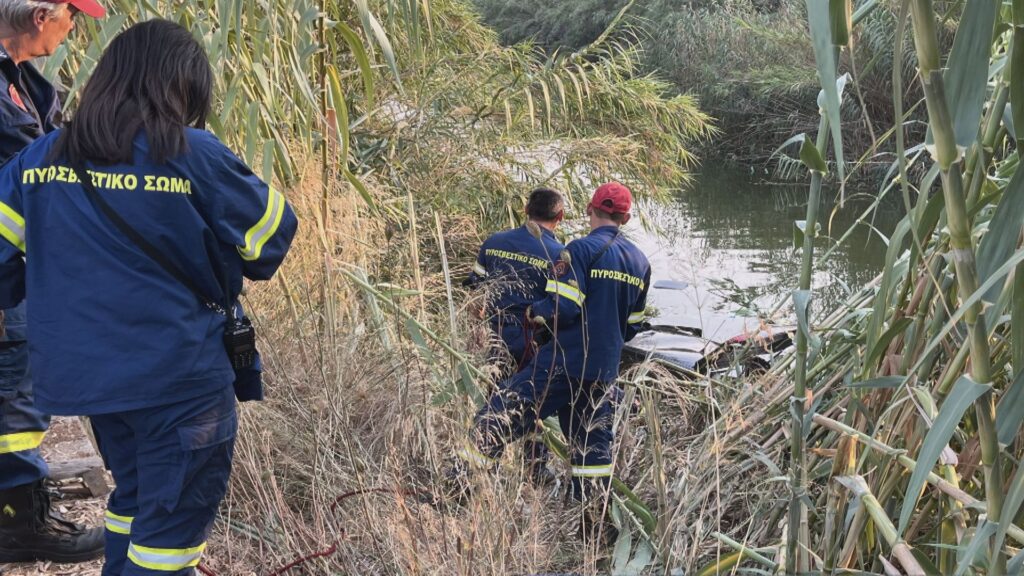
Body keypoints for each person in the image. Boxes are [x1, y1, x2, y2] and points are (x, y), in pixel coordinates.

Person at [0, 19, 297, 574]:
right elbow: (270, 240)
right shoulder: (194, 154)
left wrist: (41, 282)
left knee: (134, 497)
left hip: (91, 379)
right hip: (179, 377)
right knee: (171, 532)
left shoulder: (39, 159)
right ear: (180, 85)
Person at [456, 182, 650, 527]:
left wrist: (534, 312)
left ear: (591, 210)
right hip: (603, 370)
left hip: (563, 362)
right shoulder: (640, 261)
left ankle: (455, 495)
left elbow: (564, 307)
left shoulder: (579, 250)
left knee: (497, 416)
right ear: (626, 217)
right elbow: (632, 325)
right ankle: (593, 527)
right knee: (592, 451)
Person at [0, 0, 108, 563]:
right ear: (43, 14)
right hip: (6, 270)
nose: (77, 27)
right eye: (75, 15)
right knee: (12, 398)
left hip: (22, 265)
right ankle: (17, 523)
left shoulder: (20, 82)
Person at [464, 187, 565, 481]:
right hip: (534, 340)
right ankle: (535, 469)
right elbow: (559, 306)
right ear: (560, 216)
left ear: (525, 210)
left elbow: (475, 294)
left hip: (497, 335)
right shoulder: (559, 255)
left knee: (495, 398)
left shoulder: (494, 242)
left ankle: (487, 464)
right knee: (533, 402)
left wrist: (482, 326)